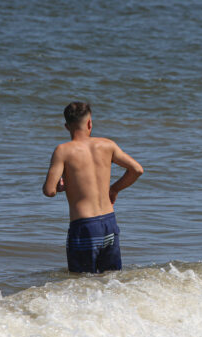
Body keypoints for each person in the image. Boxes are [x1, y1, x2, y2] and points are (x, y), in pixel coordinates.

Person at [43, 102, 143, 273]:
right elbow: (137, 169)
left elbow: (49, 190)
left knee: (81, 282)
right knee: (111, 280)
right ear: (90, 123)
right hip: (109, 223)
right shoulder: (108, 145)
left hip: (85, 226)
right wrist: (114, 189)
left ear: (66, 126)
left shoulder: (63, 150)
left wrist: (62, 186)